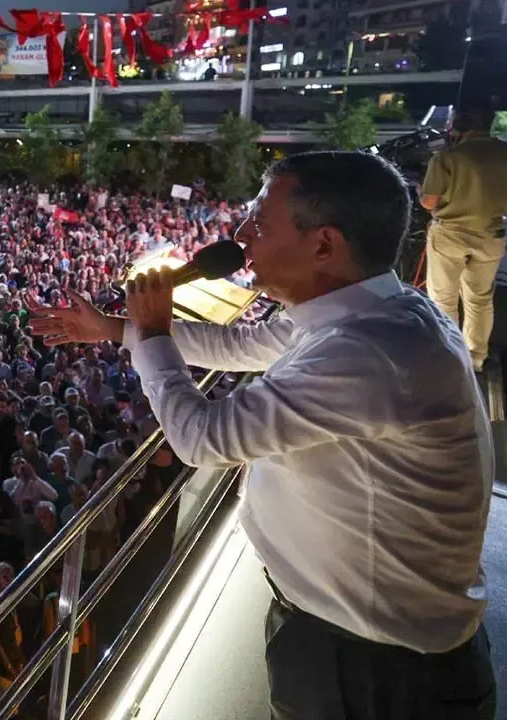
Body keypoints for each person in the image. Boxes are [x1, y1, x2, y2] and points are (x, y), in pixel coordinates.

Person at [30, 150, 496, 719]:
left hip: (372, 669)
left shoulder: (368, 353)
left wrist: (153, 333)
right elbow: (238, 347)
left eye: (260, 222)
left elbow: (202, 438)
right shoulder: (373, 315)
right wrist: (113, 329)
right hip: (365, 639)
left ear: (323, 244)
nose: (241, 235)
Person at [420, 104, 507, 371]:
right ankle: (476, 357)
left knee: (444, 298)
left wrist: (419, 191)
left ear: (460, 126)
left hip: (450, 235)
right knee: (480, 298)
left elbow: (429, 202)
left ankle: (449, 357)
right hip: (491, 235)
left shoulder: (447, 157)